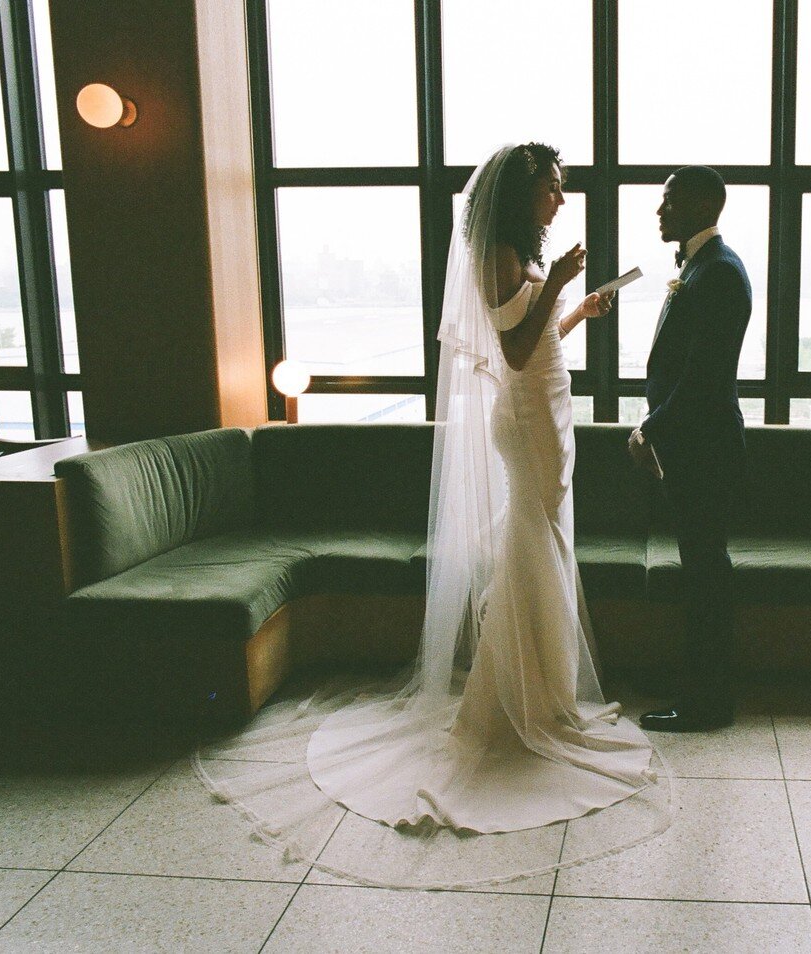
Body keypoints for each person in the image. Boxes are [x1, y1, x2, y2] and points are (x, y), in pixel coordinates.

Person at [194, 144, 671, 889]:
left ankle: (537, 692)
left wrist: (575, 308)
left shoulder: (521, 256)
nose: (558, 200)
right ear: (521, 193)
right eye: (551, 189)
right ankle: (514, 704)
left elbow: (536, 336)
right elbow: (511, 351)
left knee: (538, 540)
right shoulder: (497, 252)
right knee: (533, 538)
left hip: (548, 411)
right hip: (526, 416)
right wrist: (561, 287)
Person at [630, 166, 752, 733]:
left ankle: (707, 704)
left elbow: (703, 376)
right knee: (703, 572)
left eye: (669, 201)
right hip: (697, 447)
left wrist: (650, 427)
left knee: (706, 576)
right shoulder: (704, 267)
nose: (660, 211)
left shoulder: (720, 273)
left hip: (704, 450)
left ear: (703, 205)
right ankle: (704, 690)